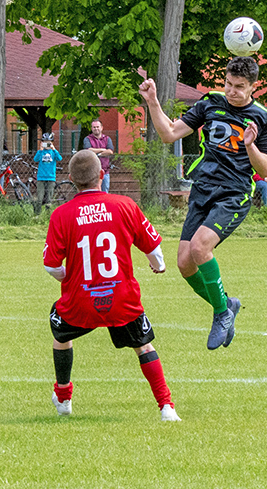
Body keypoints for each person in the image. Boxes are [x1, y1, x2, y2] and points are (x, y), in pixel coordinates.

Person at [138, 56, 267, 350]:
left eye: (239, 86)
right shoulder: (210, 102)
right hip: (202, 189)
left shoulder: (263, 117)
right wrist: (152, 102)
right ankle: (226, 306)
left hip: (234, 194)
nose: (232, 91)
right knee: (184, 264)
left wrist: (250, 145)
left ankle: (222, 313)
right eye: (228, 83)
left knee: (200, 248)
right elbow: (169, 134)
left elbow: (265, 170)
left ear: (253, 86)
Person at [43, 150, 180, 421]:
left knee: (61, 334)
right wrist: (159, 265)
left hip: (81, 300)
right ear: (102, 175)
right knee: (144, 347)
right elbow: (152, 247)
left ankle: (64, 397)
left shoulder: (61, 214)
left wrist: (67, 277)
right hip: (121, 299)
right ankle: (166, 407)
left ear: (71, 179)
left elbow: (51, 265)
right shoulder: (125, 205)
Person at [82, 119, 115, 193]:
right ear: (91, 128)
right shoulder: (87, 139)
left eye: (97, 127)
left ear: (101, 128)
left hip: (105, 171)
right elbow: (88, 150)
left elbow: (110, 151)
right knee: (93, 193)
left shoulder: (107, 139)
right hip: (92, 172)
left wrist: (98, 154)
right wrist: (103, 150)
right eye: (94, 127)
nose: (96, 128)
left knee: (104, 192)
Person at [33, 132, 62, 213]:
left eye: (48, 142)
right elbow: (35, 159)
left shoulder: (53, 152)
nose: (47, 144)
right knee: (39, 198)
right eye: (45, 142)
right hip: (41, 178)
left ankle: (48, 214)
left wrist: (54, 149)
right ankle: (37, 214)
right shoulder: (41, 152)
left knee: (49, 198)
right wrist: (40, 150)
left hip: (51, 178)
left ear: (51, 143)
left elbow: (59, 158)